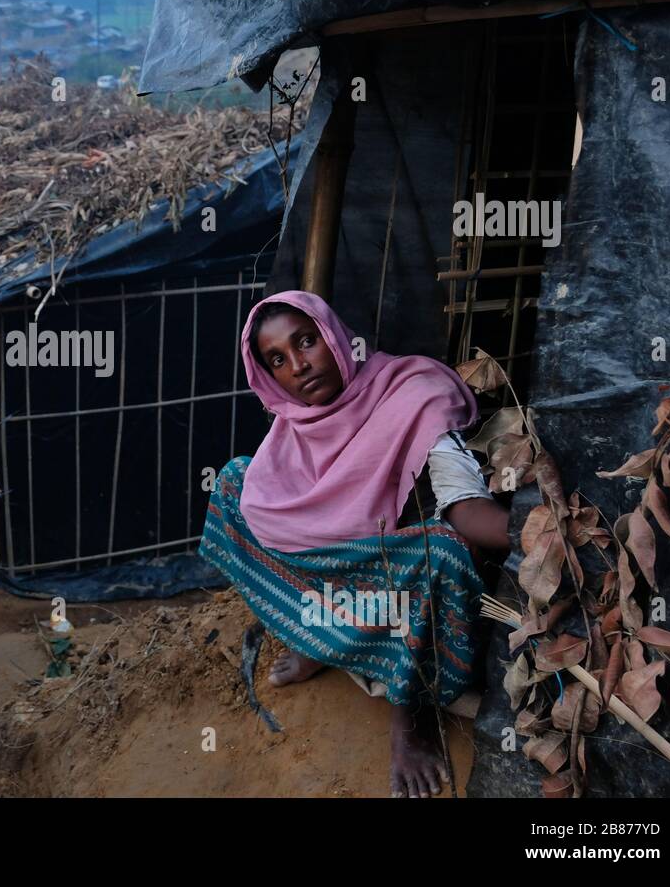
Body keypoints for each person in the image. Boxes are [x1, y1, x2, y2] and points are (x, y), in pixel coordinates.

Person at [199, 290, 510, 798]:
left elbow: (462, 507)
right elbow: (282, 511)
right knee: (235, 483)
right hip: (345, 578)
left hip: (395, 573)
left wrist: (533, 530)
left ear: (334, 336)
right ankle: (315, 637)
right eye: (278, 359)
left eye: (307, 342)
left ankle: (409, 719)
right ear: (269, 379)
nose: (299, 366)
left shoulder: (412, 394)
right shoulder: (294, 427)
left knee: (444, 554)